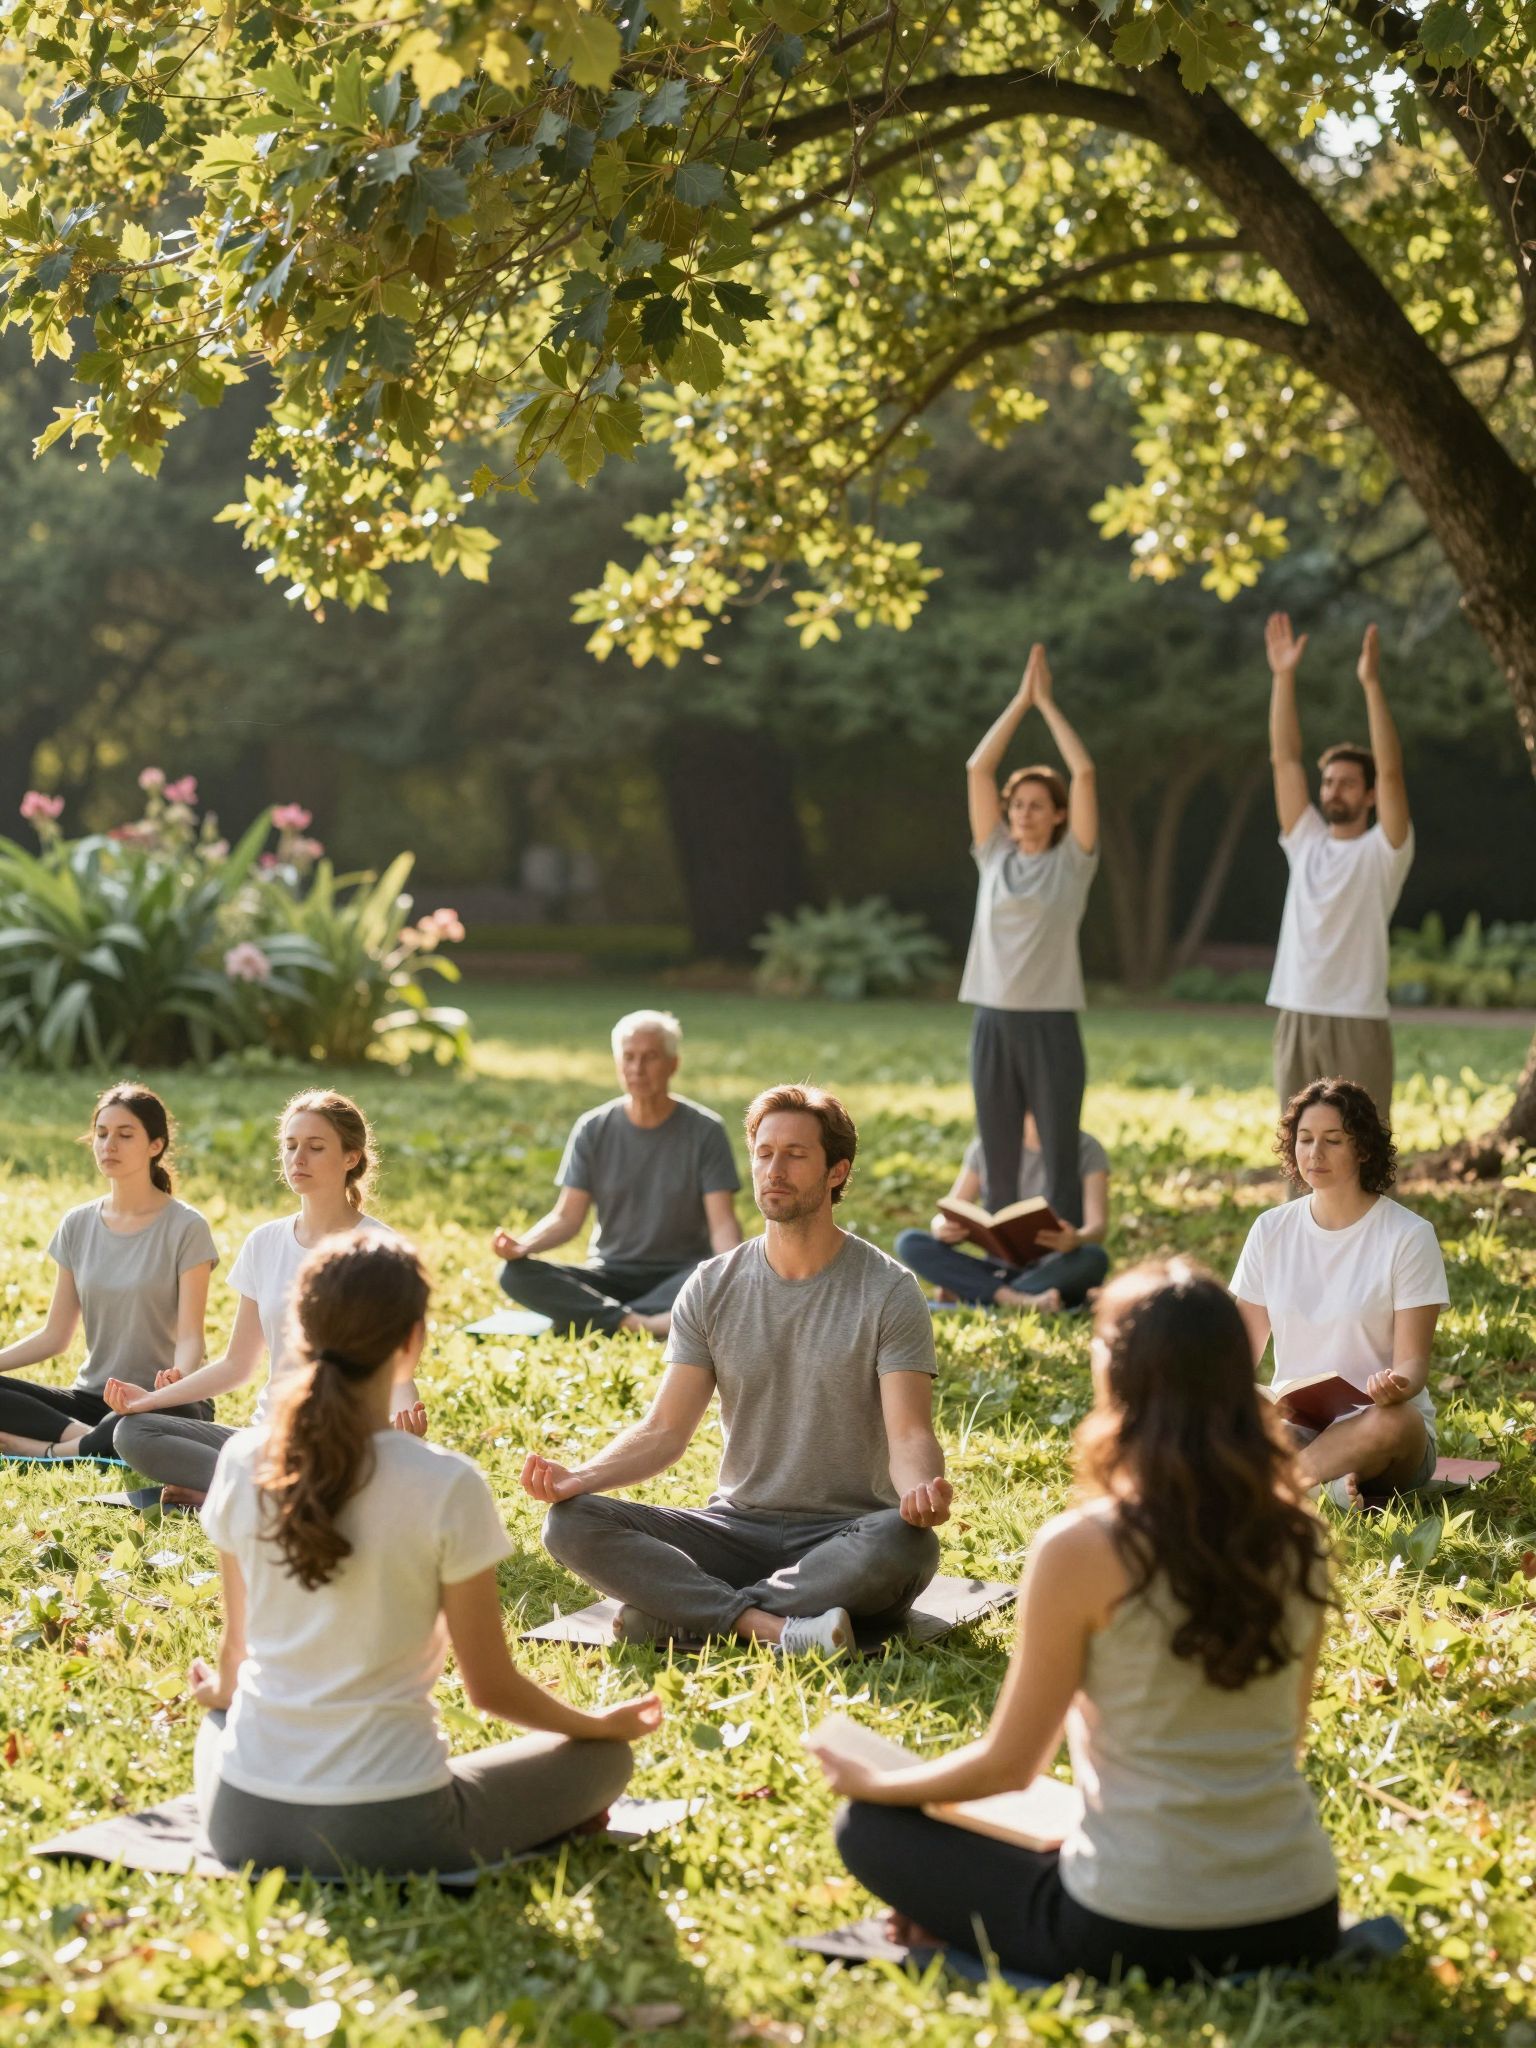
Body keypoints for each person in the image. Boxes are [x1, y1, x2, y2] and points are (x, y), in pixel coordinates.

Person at [810, 1259, 1339, 1984]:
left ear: (1119, 1375)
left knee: (869, 1831)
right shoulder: (1301, 1538)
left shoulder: (1081, 1547)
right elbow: (1286, 1739)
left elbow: (1008, 1767)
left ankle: (951, 1926)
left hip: (1132, 1924)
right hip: (1299, 1916)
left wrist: (875, 1783)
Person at [188, 1233, 661, 1877]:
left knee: (222, 1721)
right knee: (606, 1761)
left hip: (244, 1822)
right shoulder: (447, 1483)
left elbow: (236, 1653)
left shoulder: (242, 1459)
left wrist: (219, 1696)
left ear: (299, 1329)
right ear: (412, 1340)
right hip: (391, 1827)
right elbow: (491, 1690)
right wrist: (599, 1726)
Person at [523, 1084, 951, 1658]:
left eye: (796, 1154)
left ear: (836, 1171)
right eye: (764, 1152)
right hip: (732, 1530)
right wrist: (582, 1478)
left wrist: (922, 1490)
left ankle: (686, 1616)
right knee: (570, 1523)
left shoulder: (889, 1290)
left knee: (907, 1545)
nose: (774, 1169)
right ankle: (771, 1629)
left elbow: (910, 1433)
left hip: (844, 1537)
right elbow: (664, 1432)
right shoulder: (711, 1285)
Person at [107, 1091, 424, 1507]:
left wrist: (402, 1431)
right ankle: (270, 1494)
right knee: (133, 1431)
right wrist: (148, 1400)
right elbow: (237, 1364)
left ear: (351, 1157)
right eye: (290, 1146)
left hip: (342, 1444)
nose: (298, 1159)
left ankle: (235, 1495)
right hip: (269, 1439)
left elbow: (397, 1370)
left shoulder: (381, 1249)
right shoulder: (264, 1242)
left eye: (315, 1148)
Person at [1231, 1077, 1447, 1510]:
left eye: (1333, 1140)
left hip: (1379, 1427)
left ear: (1363, 1148)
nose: (1315, 1153)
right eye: (1305, 1139)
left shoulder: (1408, 1236)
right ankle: (1320, 1487)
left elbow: (1413, 1364)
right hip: (1297, 1424)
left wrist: (1396, 1387)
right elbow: (1239, 1352)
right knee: (1214, 1400)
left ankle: (1278, 1487)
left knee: (1396, 1423)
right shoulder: (1270, 1230)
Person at [0, 1084, 218, 1460]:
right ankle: (95, 1438)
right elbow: (55, 1335)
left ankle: (53, 1450)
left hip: (164, 1401)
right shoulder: (77, 1224)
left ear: (156, 1145)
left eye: (124, 1135)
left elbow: (191, 1339)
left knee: (155, 1416)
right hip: (93, 1399)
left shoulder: (186, 1227)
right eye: (101, 1134)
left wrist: (174, 1381)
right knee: (122, 1424)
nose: (108, 1145)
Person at [493, 1009, 742, 1337]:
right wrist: (524, 1246)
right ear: (618, 1063)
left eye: (650, 1057)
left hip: (680, 1275)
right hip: (610, 1275)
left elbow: (722, 1223)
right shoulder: (592, 1129)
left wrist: (733, 1270)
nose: (637, 1068)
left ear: (673, 1064)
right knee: (513, 1274)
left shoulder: (705, 1131)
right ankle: (645, 1323)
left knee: (715, 1276)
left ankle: (603, 1318)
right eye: (629, 1057)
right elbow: (567, 1218)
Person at [960, 643, 1099, 1230]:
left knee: (1058, 1154)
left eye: (1038, 806)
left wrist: (1047, 705)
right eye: (1017, 805)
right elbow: (977, 769)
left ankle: (1057, 1261)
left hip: (1051, 1024)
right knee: (999, 1154)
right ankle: (1003, 1261)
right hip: (993, 1020)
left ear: (1060, 815)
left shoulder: (1072, 863)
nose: (1022, 814)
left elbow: (1085, 772)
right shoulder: (993, 856)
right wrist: (1019, 702)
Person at [1263, 614, 1413, 1122]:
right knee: (1298, 1153)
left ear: (1369, 795)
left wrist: (1371, 685)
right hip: (1296, 1011)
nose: (1333, 791)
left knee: (1364, 1155)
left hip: (1358, 1018)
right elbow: (1284, 759)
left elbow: (1391, 771)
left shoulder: (1383, 851)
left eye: (1348, 783)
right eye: (1327, 782)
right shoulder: (1304, 841)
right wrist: (1283, 677)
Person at [894, 1114, 1110, 1312]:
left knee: (1094, 1258)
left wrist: (1076, 1239)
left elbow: (1097, 1228)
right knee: (910, 1242)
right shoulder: (985, 1146)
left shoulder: (1086, 1147)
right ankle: (1020, 1301)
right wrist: (940, 1227)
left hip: (1055, 1269)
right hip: (996, 1269)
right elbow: (950, 1209)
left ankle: (977, 1296)